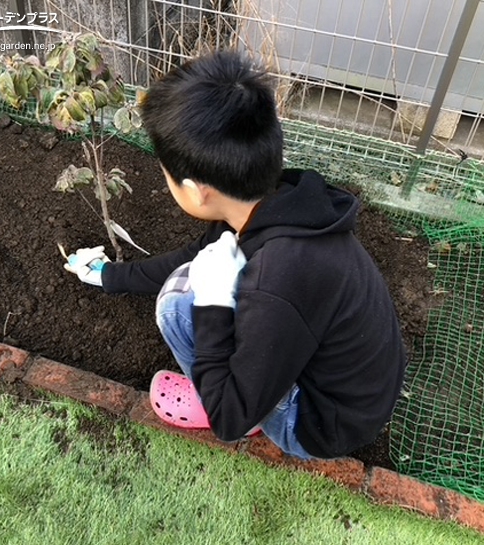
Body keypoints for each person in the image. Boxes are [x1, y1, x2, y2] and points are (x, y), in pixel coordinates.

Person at [63, 50, 407, 460]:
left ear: (196, 189)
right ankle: (242, 383)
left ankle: (228, 398)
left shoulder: (277, 279)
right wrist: (109, 276)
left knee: (178, 300)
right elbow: (197, 253)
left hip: (320, 425)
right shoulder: (278, 200)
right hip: (356, 386)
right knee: (198, 273)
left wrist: (212, 305)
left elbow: (232, 423)